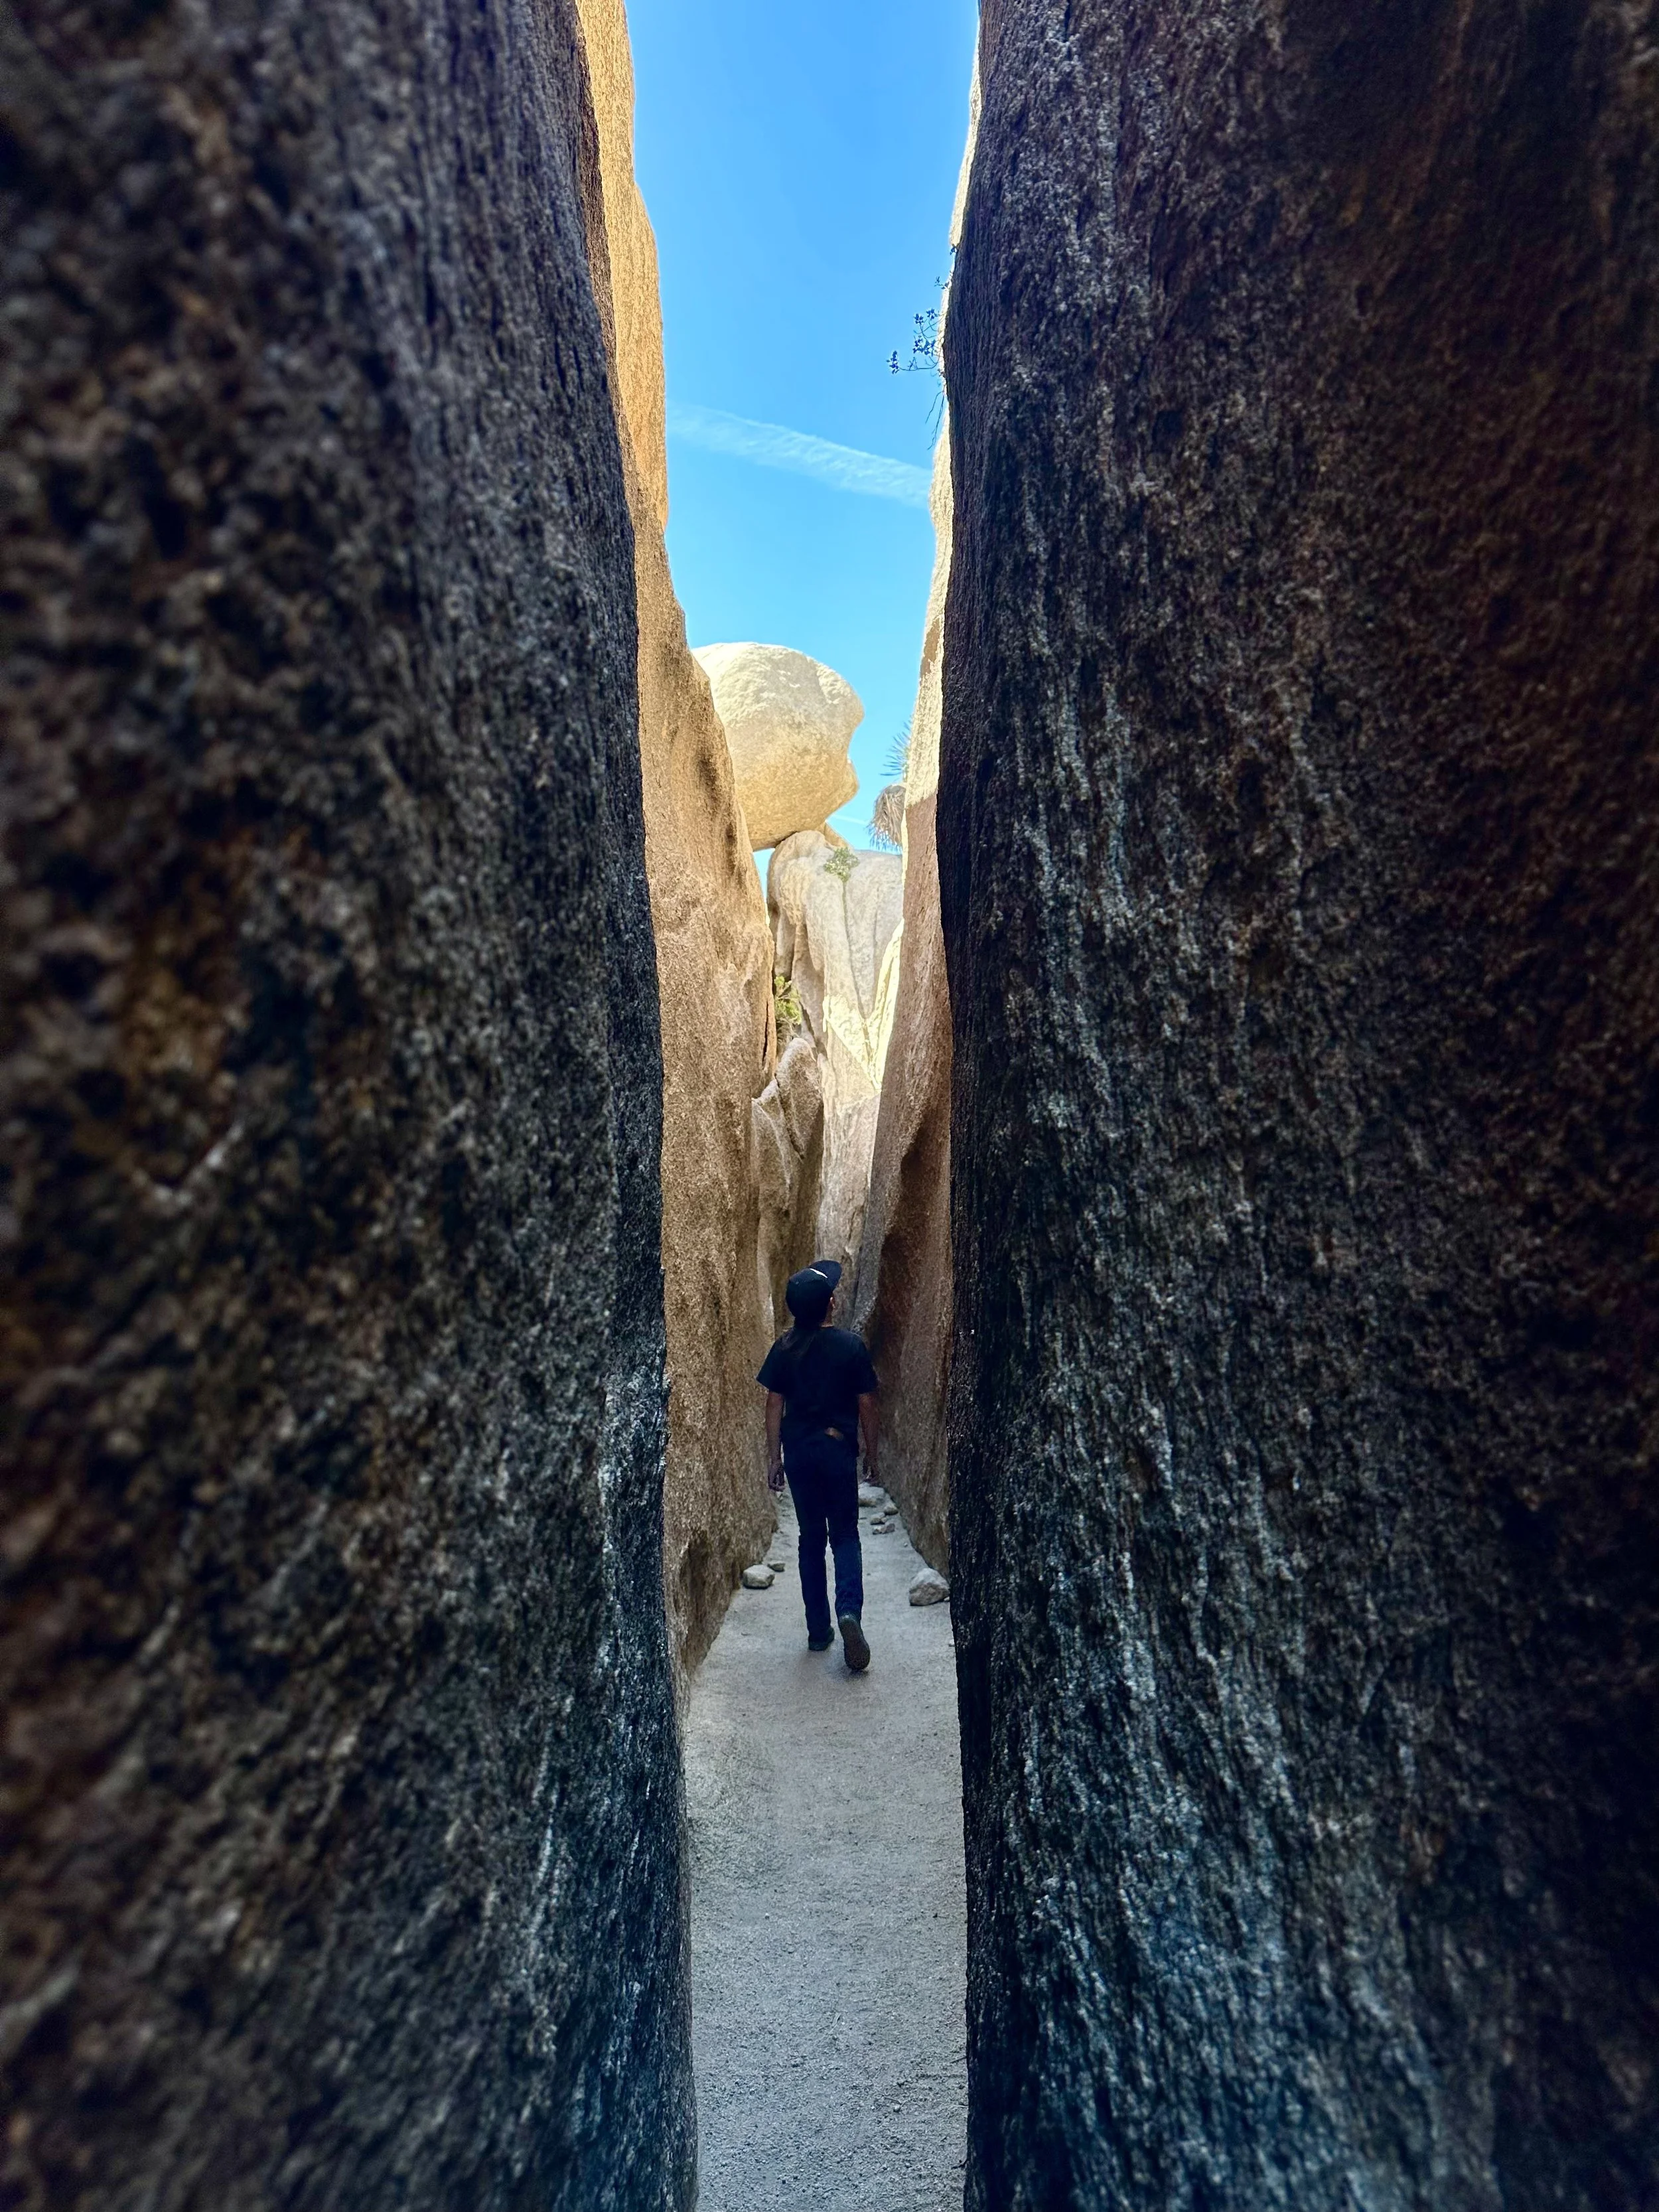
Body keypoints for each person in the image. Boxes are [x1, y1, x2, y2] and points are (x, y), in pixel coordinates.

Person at [757, 1259, 879, 1672]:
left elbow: (774, 1403)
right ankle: (849, 1613)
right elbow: (866, 1403)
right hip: (836, 1449)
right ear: (830, 1303)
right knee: (845, 1536)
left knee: (811, 1538)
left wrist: (774, 1458)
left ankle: (818, 1631)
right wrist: (872, 1454)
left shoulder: (784, 1348)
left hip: (801, 1454)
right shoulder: (850, 1346)